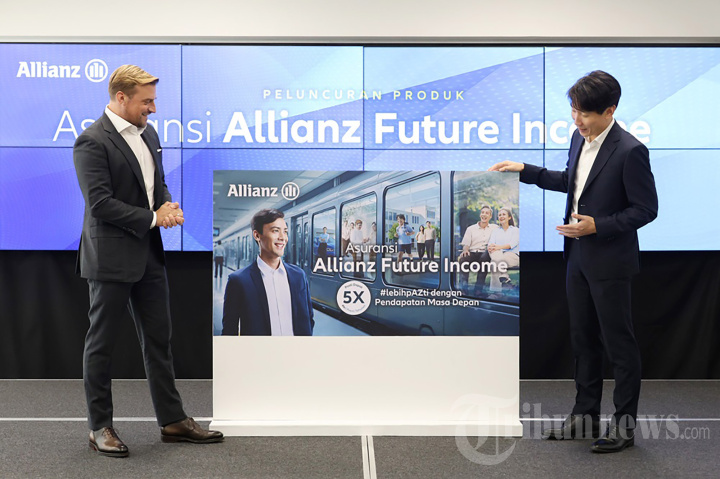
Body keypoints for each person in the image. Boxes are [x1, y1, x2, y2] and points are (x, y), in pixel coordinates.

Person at [489, 70, 658, 453]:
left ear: (609, 110)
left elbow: (646, 209)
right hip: (577, 257)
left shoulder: (630, 151)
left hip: (610, 261)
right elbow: (572, 181)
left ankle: (624, 426)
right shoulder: (578, 138)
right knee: (583, 339)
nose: (576, 120)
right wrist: (525, 171)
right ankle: (585, 416)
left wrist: (599, 226)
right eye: (574, 110)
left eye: (584, 113)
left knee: (619, 345)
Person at [73, 65, 223, 458]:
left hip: (148, 257)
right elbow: (100, 204)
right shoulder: (91, 141)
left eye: (153, 101)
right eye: (147, 101)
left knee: (159, 340)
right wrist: (155, 218)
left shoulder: (149, 134)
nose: (153, 109)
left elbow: (156, 185)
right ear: (121, 97)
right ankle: (99, 427)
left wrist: (166, 205)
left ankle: (172, 421)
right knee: (101, 344)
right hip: (109, 258)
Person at [222, 208, 314, 336]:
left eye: (285, 231)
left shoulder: (299, 275)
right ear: (257, 235)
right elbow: (229, 330)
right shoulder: (238, 281)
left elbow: (309, 319)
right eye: (275, 231)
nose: (283, 237)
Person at [458, 206, 497, 295]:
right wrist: (465, 250)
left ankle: (478, 289)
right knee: (463, 259)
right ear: (480, 215)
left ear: (490, 216)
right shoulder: (471, 229)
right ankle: (464, 288)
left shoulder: (494, 228)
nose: (484, 215)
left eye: (487, 213)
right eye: (482, 212)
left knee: (485, 259)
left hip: (485, 253)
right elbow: (466, 244)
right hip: (472, 252)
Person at [486, 207, 519, 292]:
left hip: (512, 256)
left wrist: (497, 247)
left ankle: (496, 293)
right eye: (499, 215)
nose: (501, 216)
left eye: (504, 214)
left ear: (509, 217)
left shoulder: (515, 230)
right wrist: (492, 247)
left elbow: (511, 245)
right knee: (495, 256)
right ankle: (504, 275)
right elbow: (490, 244)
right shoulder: (495, 231)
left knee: (494, 263)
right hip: (498, 255)